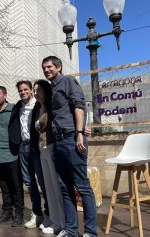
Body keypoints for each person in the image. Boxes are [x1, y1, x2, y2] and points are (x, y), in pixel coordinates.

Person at [42, 56, 97, 237]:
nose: (46, 70)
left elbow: (78, 106)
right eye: (44, 68)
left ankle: (90, 232)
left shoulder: (67, 81)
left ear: (58, 67)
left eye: (49, 67)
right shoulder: (52, 88)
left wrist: (80, 133)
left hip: (72, 139)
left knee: (82, 186)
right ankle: (71, 230)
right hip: (58, 142)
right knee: (65, 188)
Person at [9, 80, 49, 229]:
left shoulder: (38, 105)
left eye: (26, 89)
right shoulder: (18, 106)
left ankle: (48, 214)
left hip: (36, 147)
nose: (23, 92)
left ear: (31, 90)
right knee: (29, 182)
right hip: (22, 147)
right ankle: (36, 213)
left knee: (43, 182)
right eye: (20, 90)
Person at [33, 79, 65, 234]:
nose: (35, 93)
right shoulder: (39, 108)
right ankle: (54, 220)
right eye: (34, 90)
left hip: (52, 147)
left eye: (38, 90)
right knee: (49, 188)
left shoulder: (52, 108)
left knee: (56, 187)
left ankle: (63, 222)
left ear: (45, 91)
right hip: (42, 149)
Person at [0, 86, 24, 227]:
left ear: (5, 95)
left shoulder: (14, 109)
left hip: (12, 154)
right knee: (4, 186)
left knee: (16, 186)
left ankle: (19, 213)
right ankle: (7, 212)